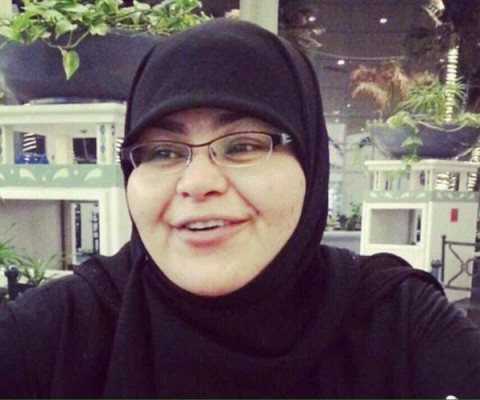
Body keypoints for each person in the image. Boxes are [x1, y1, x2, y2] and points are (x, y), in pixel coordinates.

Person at [1, 18, 480, 398]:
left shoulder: (399, 326)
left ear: (310, 160)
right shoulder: (53, 336)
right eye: (163, 151)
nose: (197, 184)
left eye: (243, 145)